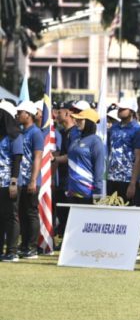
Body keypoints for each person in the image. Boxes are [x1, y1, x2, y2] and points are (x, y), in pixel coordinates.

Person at [16, 100, 44, 259]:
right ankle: (24, 244)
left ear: (29, 115)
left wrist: (33, 180)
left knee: (31, 213)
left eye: (20, 112)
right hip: (21, 180)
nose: (18, 115)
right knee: (22, 213)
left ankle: (32, 247)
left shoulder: (36, 133)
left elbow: (38, 157)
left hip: (31, 180)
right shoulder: (21, 132)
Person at [107, 98, 140, 205]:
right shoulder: (113, 128)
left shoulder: (138, 130)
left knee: (126, 212)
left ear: (132, 111)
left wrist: (132, 184)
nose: (119, 110)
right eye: (119, 108)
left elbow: (139, 159)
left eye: (123, 109)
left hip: (127, 180)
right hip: (111, 178)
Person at [66, 108, 105, 205]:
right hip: (72, 191)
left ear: (89, 122)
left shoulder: (96, 141)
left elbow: (99, 168)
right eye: (77, 119)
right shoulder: (75, 139)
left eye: (80, 120)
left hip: (87, 193)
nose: (77, 122)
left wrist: (97, 193)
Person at [53, 101, 81, 237]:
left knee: (69, 211)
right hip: (61, 177)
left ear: (67, 113)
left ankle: (69, 238)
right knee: (61, 211)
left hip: (70, 178)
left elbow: (72, 155)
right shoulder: (61, 132)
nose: (56, 115)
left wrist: (54, 159)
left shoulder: (75, 133)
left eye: (59, 112)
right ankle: (62, 236)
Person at [0, 101, 22, 261]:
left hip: (9, 183)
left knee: (11, 217)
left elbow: (17, 159)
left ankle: (12, 251)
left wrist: (13, 182)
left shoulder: (15, 135)